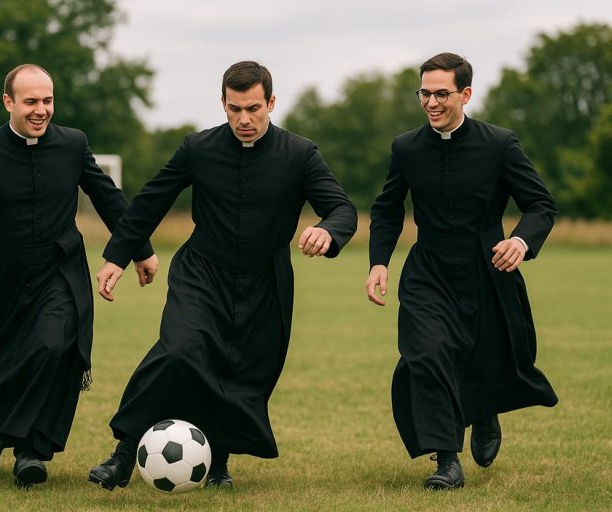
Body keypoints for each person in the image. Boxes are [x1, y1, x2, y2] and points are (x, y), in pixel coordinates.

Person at [87, 60, 358, 490]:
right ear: (223, 104)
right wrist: (117, 258)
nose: (244, 119)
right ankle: (123, 454)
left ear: (271, 102)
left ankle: (218, 463)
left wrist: (327, 230)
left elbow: (343, 209)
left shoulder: (300, 153)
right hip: (202, 271)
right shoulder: (198, 147)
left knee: (240, 371)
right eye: (234, 109)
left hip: (265, 280)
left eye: (253, 108)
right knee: (179, 352)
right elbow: (150, 202)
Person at [0, 63, 158, 487]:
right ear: (8, 102)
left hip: (58, 272)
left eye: (47, 100)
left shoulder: (73, 144)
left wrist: (140, 250)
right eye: (31, 101)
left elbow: (109, 198)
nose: (41, 110)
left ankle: (29, 449)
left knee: (49, 347)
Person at [365, 52, 558, 490]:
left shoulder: (500, 144)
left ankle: (484, 411)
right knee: (426, 353)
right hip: (427, 269)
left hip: (486, 267)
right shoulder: (406, 148)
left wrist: (521, 240)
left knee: (483, 355)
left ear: (465, 94)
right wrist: (379, 261)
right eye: (425, 93)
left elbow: (541, 204)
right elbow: (387, 209)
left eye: (441, 93)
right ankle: (447, 459)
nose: (431, 102)